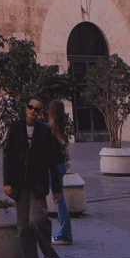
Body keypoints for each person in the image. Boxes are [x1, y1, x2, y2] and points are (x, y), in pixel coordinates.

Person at [2, 94, 63, 258]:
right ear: (26, 108)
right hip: (19, 183)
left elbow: (52, 161)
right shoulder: (15, 127)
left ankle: (48, 255)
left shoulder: (45, 130)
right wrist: (7, 182)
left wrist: (57, 189)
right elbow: (7, 156)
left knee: (38, 220)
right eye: (30, 107)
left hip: (38, 183)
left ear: (40, 112)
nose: (33, 111)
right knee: (23, 226)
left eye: (37, 109)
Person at [47, 99, 73, 246]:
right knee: (59, 200)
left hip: (55, 166)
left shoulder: (52, 129)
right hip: (61, 165)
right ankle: (64, 233)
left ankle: (65, 234)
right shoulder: (60, 127)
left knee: (59, 200)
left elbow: (52, 154)